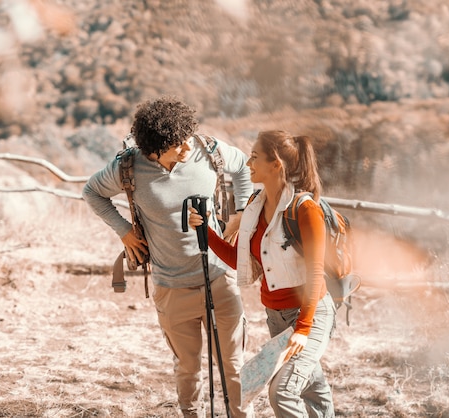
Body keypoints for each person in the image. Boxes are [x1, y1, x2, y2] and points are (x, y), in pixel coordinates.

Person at [82, 95, 254, 418]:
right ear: (154, 149)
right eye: (178, 145)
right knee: (188, 370)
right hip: (171, 289)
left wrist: (242, 211)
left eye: (188, 139)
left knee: (233, 367)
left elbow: (243, 166)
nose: (188, 149)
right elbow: (91, 192)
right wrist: (123, 231)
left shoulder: (208, 151)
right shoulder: (129, 167)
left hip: (219, 279)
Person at [189, 130, 336, 417]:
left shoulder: (305, 209)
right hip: (276, 317)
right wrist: (203, 231)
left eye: (255, 157)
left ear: (276, 164)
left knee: (282, 392)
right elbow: (239, 259)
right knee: (310, 387)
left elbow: (316, 272)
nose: (248, 164)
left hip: (311, 314)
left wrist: (304, 329)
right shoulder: (257, 205)